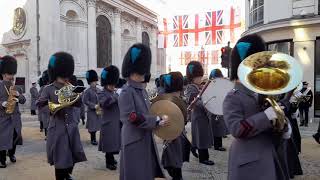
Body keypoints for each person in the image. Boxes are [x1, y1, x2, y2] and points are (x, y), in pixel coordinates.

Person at [223, 34, 290, 180]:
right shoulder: (232, 96)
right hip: (248, 162)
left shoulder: (261, 93)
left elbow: (272, 124)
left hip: (270, 155)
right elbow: (237, 129)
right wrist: (266, 116)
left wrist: (283, 124)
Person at [119, 43, 168, 180]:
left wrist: (159, 119)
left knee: (145, 172)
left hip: (144, 137)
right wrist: (156, 120)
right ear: (133, 72)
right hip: (133, 140)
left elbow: (146, 113)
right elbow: (132, 118)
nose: (143, 74)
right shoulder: (126, 91)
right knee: (136, 173)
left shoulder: (141, 90)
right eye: (140, 71)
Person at [36, 52, 87, 180]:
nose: (66, 77)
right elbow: (41, 105)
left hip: (71, 127)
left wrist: (78, 96)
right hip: (57, 128)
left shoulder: (70, 87)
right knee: (60, 159)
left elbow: (78, 104)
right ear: (57, 73)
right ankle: (62, 176)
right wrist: (53, 108)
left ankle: (67, 174)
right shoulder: (48, 89)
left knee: (74, 154)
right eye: (64, 75)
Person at [185, 61, 214, 166]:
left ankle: (193, 147)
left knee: (201, 135)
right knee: (202, 137)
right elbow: (193, 101)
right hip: (198, 115)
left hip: (201, 115)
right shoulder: (191, 87)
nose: (200, 79)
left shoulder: (197, 86)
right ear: (193, 77)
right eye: (198, 77)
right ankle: (203, 158)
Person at [0, 56, 26, 168]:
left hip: (15, 118)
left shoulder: (17, 87)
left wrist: (19, 96)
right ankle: (1, 160)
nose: (12, 77)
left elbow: (23, 100)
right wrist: (2, 103)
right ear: (4, 74)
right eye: (9, 75)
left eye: (12, 75)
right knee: (2, 139)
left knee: (15, 137)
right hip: (3, 117)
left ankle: (12, 154)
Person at [161, 72, 187, 180]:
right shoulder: (168, 101)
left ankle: (176, 173)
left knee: (177, 157)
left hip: (179, 133)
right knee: (174, 157)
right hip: (171, 134)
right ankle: (176, 175)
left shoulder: (177, 99)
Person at [98, 65, 121, 170]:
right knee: (109, 144)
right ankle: (109, 162)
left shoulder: (114, 92)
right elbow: (104, 103)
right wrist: (116, 97)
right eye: (110, 84)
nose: (112, 86)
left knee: (114, 143)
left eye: (113, 84)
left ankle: (111, 158)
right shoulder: (101, 93)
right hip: (107, 123)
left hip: (116, 122)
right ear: (106, 83)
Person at [207, 69, 229, 151]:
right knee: (216, 128)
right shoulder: (210, 85)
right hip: (213, 109)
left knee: (218, 128)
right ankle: (217, 145)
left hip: (218, 109)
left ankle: (217, 144)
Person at [83, 70, 101, 145]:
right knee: (92, 127)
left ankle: (95, 138)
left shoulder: (98, 90)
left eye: (95, 81)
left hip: (98, 111)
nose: (95, 83)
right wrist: (94, 105)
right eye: (93, 82)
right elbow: (85, 101)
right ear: (90, 82)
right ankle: (92, 139)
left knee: (97, 126)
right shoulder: (87, 91)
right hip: (92, 111)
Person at [38, 70, 50, 139]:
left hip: (50, 108)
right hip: (46, 108)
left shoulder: (50, 87)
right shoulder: (43, 88)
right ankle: (47, 135)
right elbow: (40, 98)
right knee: (46, 122)